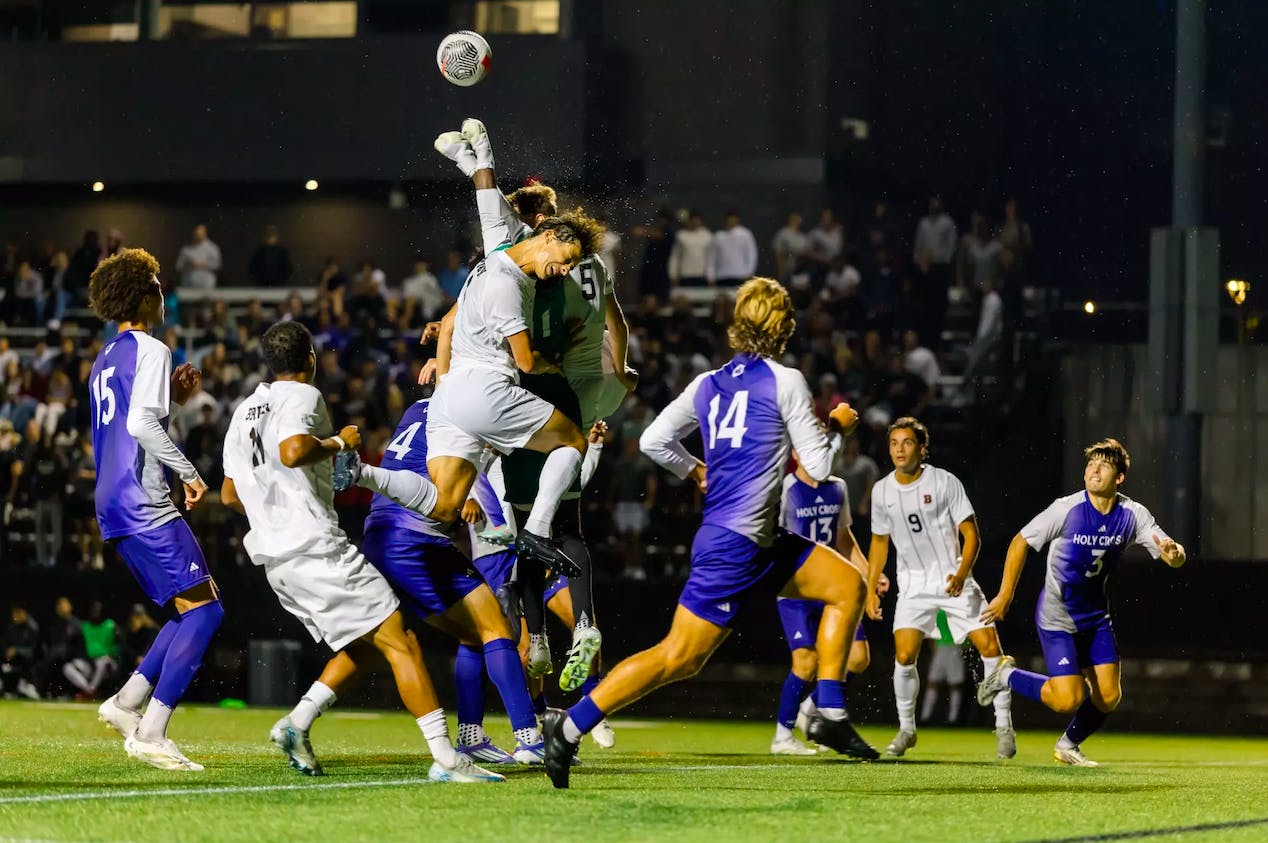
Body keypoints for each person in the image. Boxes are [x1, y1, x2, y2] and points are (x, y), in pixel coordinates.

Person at [541, 278, 879, 788]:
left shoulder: (707, 383)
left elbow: (656, 440)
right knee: (678, 656)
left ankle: (828, 713)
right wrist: (837, 427)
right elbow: (817, 465)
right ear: (784, 326)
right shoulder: (786, 381)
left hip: (751, 538)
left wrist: (696, 471)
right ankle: (568, 728)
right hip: (738, 544)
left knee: (848, 584)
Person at [219, 320, 502, 783]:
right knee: (401, 641)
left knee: (364, 644)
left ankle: (297, 723)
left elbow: (230, 495)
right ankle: (447, 760)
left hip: (275, 559)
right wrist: (339, 443)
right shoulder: (304, 396)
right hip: (313, 547)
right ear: (309, 358)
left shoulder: (244, 411)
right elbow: (293, 451)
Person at [434, 118, 635, 688]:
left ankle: (541, 637)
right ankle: (569, 629)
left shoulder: (522, 257)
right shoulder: (582, 265)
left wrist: (478, 161)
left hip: (532, 388)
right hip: (565, 389)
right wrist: (617, 369)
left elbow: (490, 216)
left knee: (530, 523)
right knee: (562, 523)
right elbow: (614, 320)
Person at [327, 396, 547, 766]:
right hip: (415, 536)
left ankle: (471, 736)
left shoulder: (418, 406)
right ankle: (529, 738)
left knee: (467, 634)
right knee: (496, 629)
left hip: (378, 531)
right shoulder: (470, 405)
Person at [87, 249, 224, 772]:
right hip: (142, 499)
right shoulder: (153, 348)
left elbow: (127, 420)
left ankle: (125, 705)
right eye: (159, 285)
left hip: (112, 499)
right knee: (208, 612)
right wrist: (189, 473)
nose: (165, 293)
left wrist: (175, 401)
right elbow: (142, 425)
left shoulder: (107, 356)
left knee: (189, 607)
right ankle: (151, 731)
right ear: (144, 296)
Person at [977, 438, 1187, 767]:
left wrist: (1175, 554)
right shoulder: (1066, 509)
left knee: (1108, 696)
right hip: (1058, 618)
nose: (1094, 469)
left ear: (1119, 478)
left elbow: (1169, 551)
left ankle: (1068, 745)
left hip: (1095, 618)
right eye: (1090, 464)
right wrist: (1004, 595)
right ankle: (1005, 675)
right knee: (1068, 699)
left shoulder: (1132, 514)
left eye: (1103, 465)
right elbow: (1019, 543)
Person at [865, 417, 1015, 760]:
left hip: (952, 579)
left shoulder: (945, 482)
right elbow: (878, 543)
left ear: (922, 448)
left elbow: (972, 534)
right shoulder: (882, 490)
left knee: (990, 647)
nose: (899, 450)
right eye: (894, 443)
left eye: (906, 443)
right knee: (904, 656)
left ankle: (1004, 725)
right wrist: (872, 586)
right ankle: (907, 729)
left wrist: (962, 572)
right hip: (914, 586)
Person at [770, 452, 887, 756]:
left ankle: (812, 705)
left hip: (832, 586)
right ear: (796, 453)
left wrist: (870, 576)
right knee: (806, 662)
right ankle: (783, 735)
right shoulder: (785, 488)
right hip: (797, 588)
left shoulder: (838, 488)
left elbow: (844, 538)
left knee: (859, 658)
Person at [707, 211, 757, 287]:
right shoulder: (718, 236)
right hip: (721, 276)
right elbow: (711, 258)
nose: (731, 222)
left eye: (733, 219)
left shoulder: (745, 234)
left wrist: (749, 273)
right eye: (729, 220)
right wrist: (711, 276)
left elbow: (752, 254)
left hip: (740, 275)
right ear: (725, 220)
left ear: (737, 220)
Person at [667, 212, 712, 287]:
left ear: (701, 221)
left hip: (702, 275)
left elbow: (711, 258)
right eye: (692, 221)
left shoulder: (707, 236)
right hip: (685, 275)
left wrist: (711, 276)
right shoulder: (681, 235)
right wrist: (673, 275)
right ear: (689, 221)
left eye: (697, 220)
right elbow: (675, 257)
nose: (694, 223)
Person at [175, 225, 222, 290]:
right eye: (196, 234)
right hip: (189, 285)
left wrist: (201, 265)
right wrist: (188, 264)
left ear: (205, 234)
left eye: (200, 234)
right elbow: (178, 266)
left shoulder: (212, 248)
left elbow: (217, 265)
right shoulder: (186, 249)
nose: (198, 236)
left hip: (206, 285)